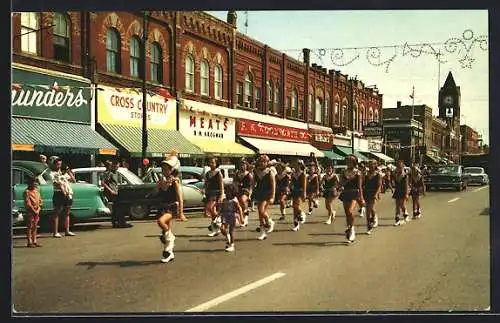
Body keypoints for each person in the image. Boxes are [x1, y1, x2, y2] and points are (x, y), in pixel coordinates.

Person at [146, 154, 183, 263]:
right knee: (164, 231)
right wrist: (151, 193)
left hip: (171, 207)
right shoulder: (161, 181)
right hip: (162, 206)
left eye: (167, 169)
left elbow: (180, 198)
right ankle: (169, 253)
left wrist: (181, 212)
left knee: (160, 222)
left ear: (171, 170)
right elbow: (155, 192)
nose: (164, 171)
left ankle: (171, 238)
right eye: (163, 169)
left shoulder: (175, 181)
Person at [338, 154, 364, 243]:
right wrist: (345, 181)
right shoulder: (343, 172)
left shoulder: (358, 172)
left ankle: (352, 229)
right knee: (347, 213)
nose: (348, 163)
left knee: (350, 211)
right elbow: (341, 183)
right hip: (345, 193)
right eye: (347, 161)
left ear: (354, 162)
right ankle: (349, 227)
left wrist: (361, 197)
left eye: (350, 161)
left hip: (354, 193)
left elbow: (360, 186)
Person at [49, 156, 76, 238]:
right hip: (59, 193)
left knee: (67, 212)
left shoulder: (63, 172)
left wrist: (69, 171)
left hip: (68, 193)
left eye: (60, 164)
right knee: (57, 212)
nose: (59, 166)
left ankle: (67, 230)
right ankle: (55, 232)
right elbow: (57, 183)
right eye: (57, 164)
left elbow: (73, 180)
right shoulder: (52, 173)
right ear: (54, 165)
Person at [102, 159, 133, 228]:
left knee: (116, 208)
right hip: (112, 193)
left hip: (116, 192)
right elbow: (103, 182)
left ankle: (116, 222)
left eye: (117, 164)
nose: (116, 166)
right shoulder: (109, 173)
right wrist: (110, 190)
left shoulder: (116, 173)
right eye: (115, 164)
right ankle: (121, 223)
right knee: (119, 207)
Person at [253, 155, 276, 240]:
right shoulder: (256, 171)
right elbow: (253, 183)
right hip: (259, 192)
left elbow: (273, 185)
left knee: (262, 211)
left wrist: (273, 196)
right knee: (260, 213)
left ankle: (269, 221)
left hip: (267, 193)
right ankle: (263, 232)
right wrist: (250, 192)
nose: (262, 163)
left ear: (267, 163)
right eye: (261, 161)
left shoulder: (269, 171)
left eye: (264, 162)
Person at [219, 184, 243, 252]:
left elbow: (240, 209)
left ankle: (232, 245)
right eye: (226, 191)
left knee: (231, 231)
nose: (226, 192)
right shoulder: (224, 200)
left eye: (228, 191)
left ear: (233, 192)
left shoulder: (235, 200)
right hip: (225, 215)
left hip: (232, 216)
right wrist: (218, 214)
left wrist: (241, 218)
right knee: (222, 228)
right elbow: (221, 208)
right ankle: (228, 238)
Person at [204, 156, 224, 237]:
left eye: (213, 162)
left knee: (211, 207)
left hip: (217, 192)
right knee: (211, 211)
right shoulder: (207, 173)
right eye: (210, 162)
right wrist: (204, 191)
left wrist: (222, 195)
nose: (211, 164)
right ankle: (216, 227)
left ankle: (218, 221)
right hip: (209, 192)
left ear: (216, 163)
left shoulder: (218, 172)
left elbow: (221, 184)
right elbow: (206, 183)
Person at [363, 160, 383, 234]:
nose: (370, 166)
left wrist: (376, 194)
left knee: (369, 209)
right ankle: (373, 219)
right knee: (370, 210)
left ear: (375, 165)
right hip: (366, 193)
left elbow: (379, 186)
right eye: (369, 165)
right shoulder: (366, 174)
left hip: (373, 193)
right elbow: (363, 184)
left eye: (372, 165)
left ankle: (369, 226)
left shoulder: (378, 174)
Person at [233, 158, 253, 227]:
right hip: (238, 190)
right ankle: (243, 219)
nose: (242, 166)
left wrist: (250, 194)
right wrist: (235, 187)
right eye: (241, 165)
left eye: (244, 165)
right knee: (238, 206)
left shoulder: (249, 174)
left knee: (242, 200)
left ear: (246, 165)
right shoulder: (236, 173)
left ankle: (245, 216)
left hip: (246, 190)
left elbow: (251, 185)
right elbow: (234, 182)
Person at [24, 176, 43, 248]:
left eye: (34, 182)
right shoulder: (27, 192)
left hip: (37, 211)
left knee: (35, 226)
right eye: (32, 182)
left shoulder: (36, 190)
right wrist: (34, 210)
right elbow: (28, 203)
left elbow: (40, 201)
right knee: (30, 226)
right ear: (29, 183)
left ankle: (34, 241)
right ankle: (29, 242)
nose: (34, 184)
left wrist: (38, 209)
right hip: (30, 211)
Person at [289, 158, 307, 231]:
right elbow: (291, 182)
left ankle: (302, 213)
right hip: (294, 191)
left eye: (296, 164)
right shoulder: (293, 174)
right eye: (294, 164)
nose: (295, 166)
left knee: (295, 206)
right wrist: (290, 186)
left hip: (300, 191)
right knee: (294, 208)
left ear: (300, 165)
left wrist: (304, 193)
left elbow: (304, 184)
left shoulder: (303, 174)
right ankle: (296, 224)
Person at [392, 159, 410, 226]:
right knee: (397, 205)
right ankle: (397, 219)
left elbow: (406, 185)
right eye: (398, 165)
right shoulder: (394, 173)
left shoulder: (405, 174)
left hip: (403, 190)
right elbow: (393, 180)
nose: (399, 166)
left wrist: (406, 194)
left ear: (402, 166)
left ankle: (405, 214)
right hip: (397, 190)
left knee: (402, 204)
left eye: (400, 165)